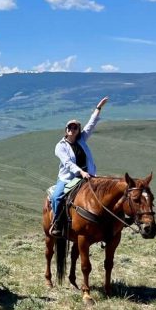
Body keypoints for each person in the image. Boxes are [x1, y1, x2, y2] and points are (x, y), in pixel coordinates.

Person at [49, 97, 109, 236]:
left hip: (88, 176)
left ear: (78, 130)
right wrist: (80, 172)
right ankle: (57, 222)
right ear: (66, 129)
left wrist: (98, 108)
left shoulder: (81, 139)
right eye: (70, 127)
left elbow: (91, 124)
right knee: (57, 197)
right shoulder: (60, 146)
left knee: (107, 191)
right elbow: (67, 163)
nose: (72, 129)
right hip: (68, 178)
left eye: (75, 127)